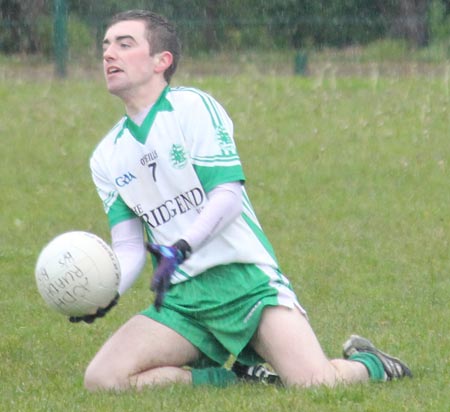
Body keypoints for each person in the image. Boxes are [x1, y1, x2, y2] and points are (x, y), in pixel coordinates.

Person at [77, 9, 412, 391]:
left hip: (246, 282)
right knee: (102, 380)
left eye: (124, 44)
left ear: (161, 61)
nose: (108, 54)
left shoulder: (191, 108)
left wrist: (182, 247)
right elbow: (128, 247)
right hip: (182, 300)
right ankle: (233, 379)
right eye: (105, 45)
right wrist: (106, 294)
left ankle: (371, 363)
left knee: (314, 383)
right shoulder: (106, 155)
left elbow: (228, 197)